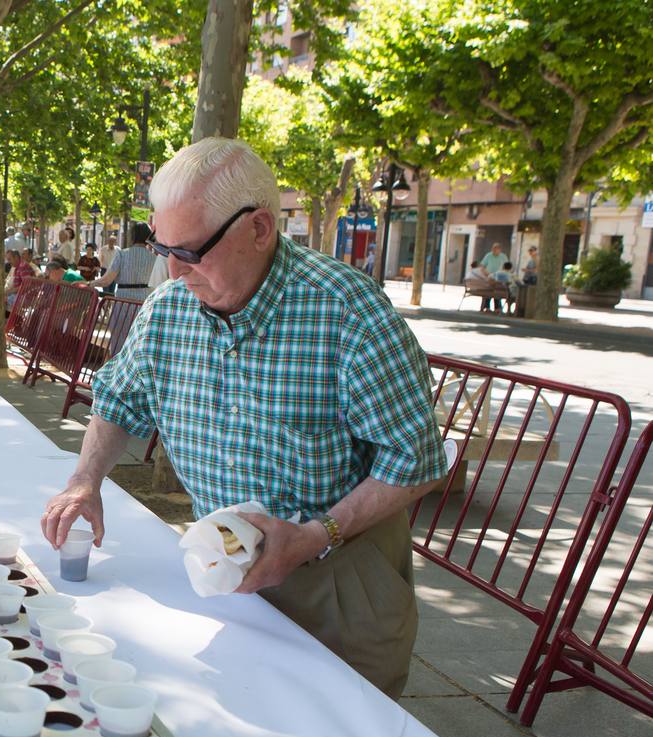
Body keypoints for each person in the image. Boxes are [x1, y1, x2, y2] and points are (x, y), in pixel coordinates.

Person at [41, 138, 447, 699]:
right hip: (226, 575)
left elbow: (417, 458)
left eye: (190, 251)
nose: (174, 271)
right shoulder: (169, 308)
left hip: (337, 580)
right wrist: (85, 480)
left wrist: (313, 535)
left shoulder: (346, 310)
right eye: (163, 248)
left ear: (259, 229)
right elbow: (118, 401)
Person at [89, 222, 167, 301]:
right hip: (144, 304)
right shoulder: (154, 258)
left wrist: (90, 284)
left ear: (132, 236)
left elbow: (106, 281)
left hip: (123, 303)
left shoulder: (121, 254)